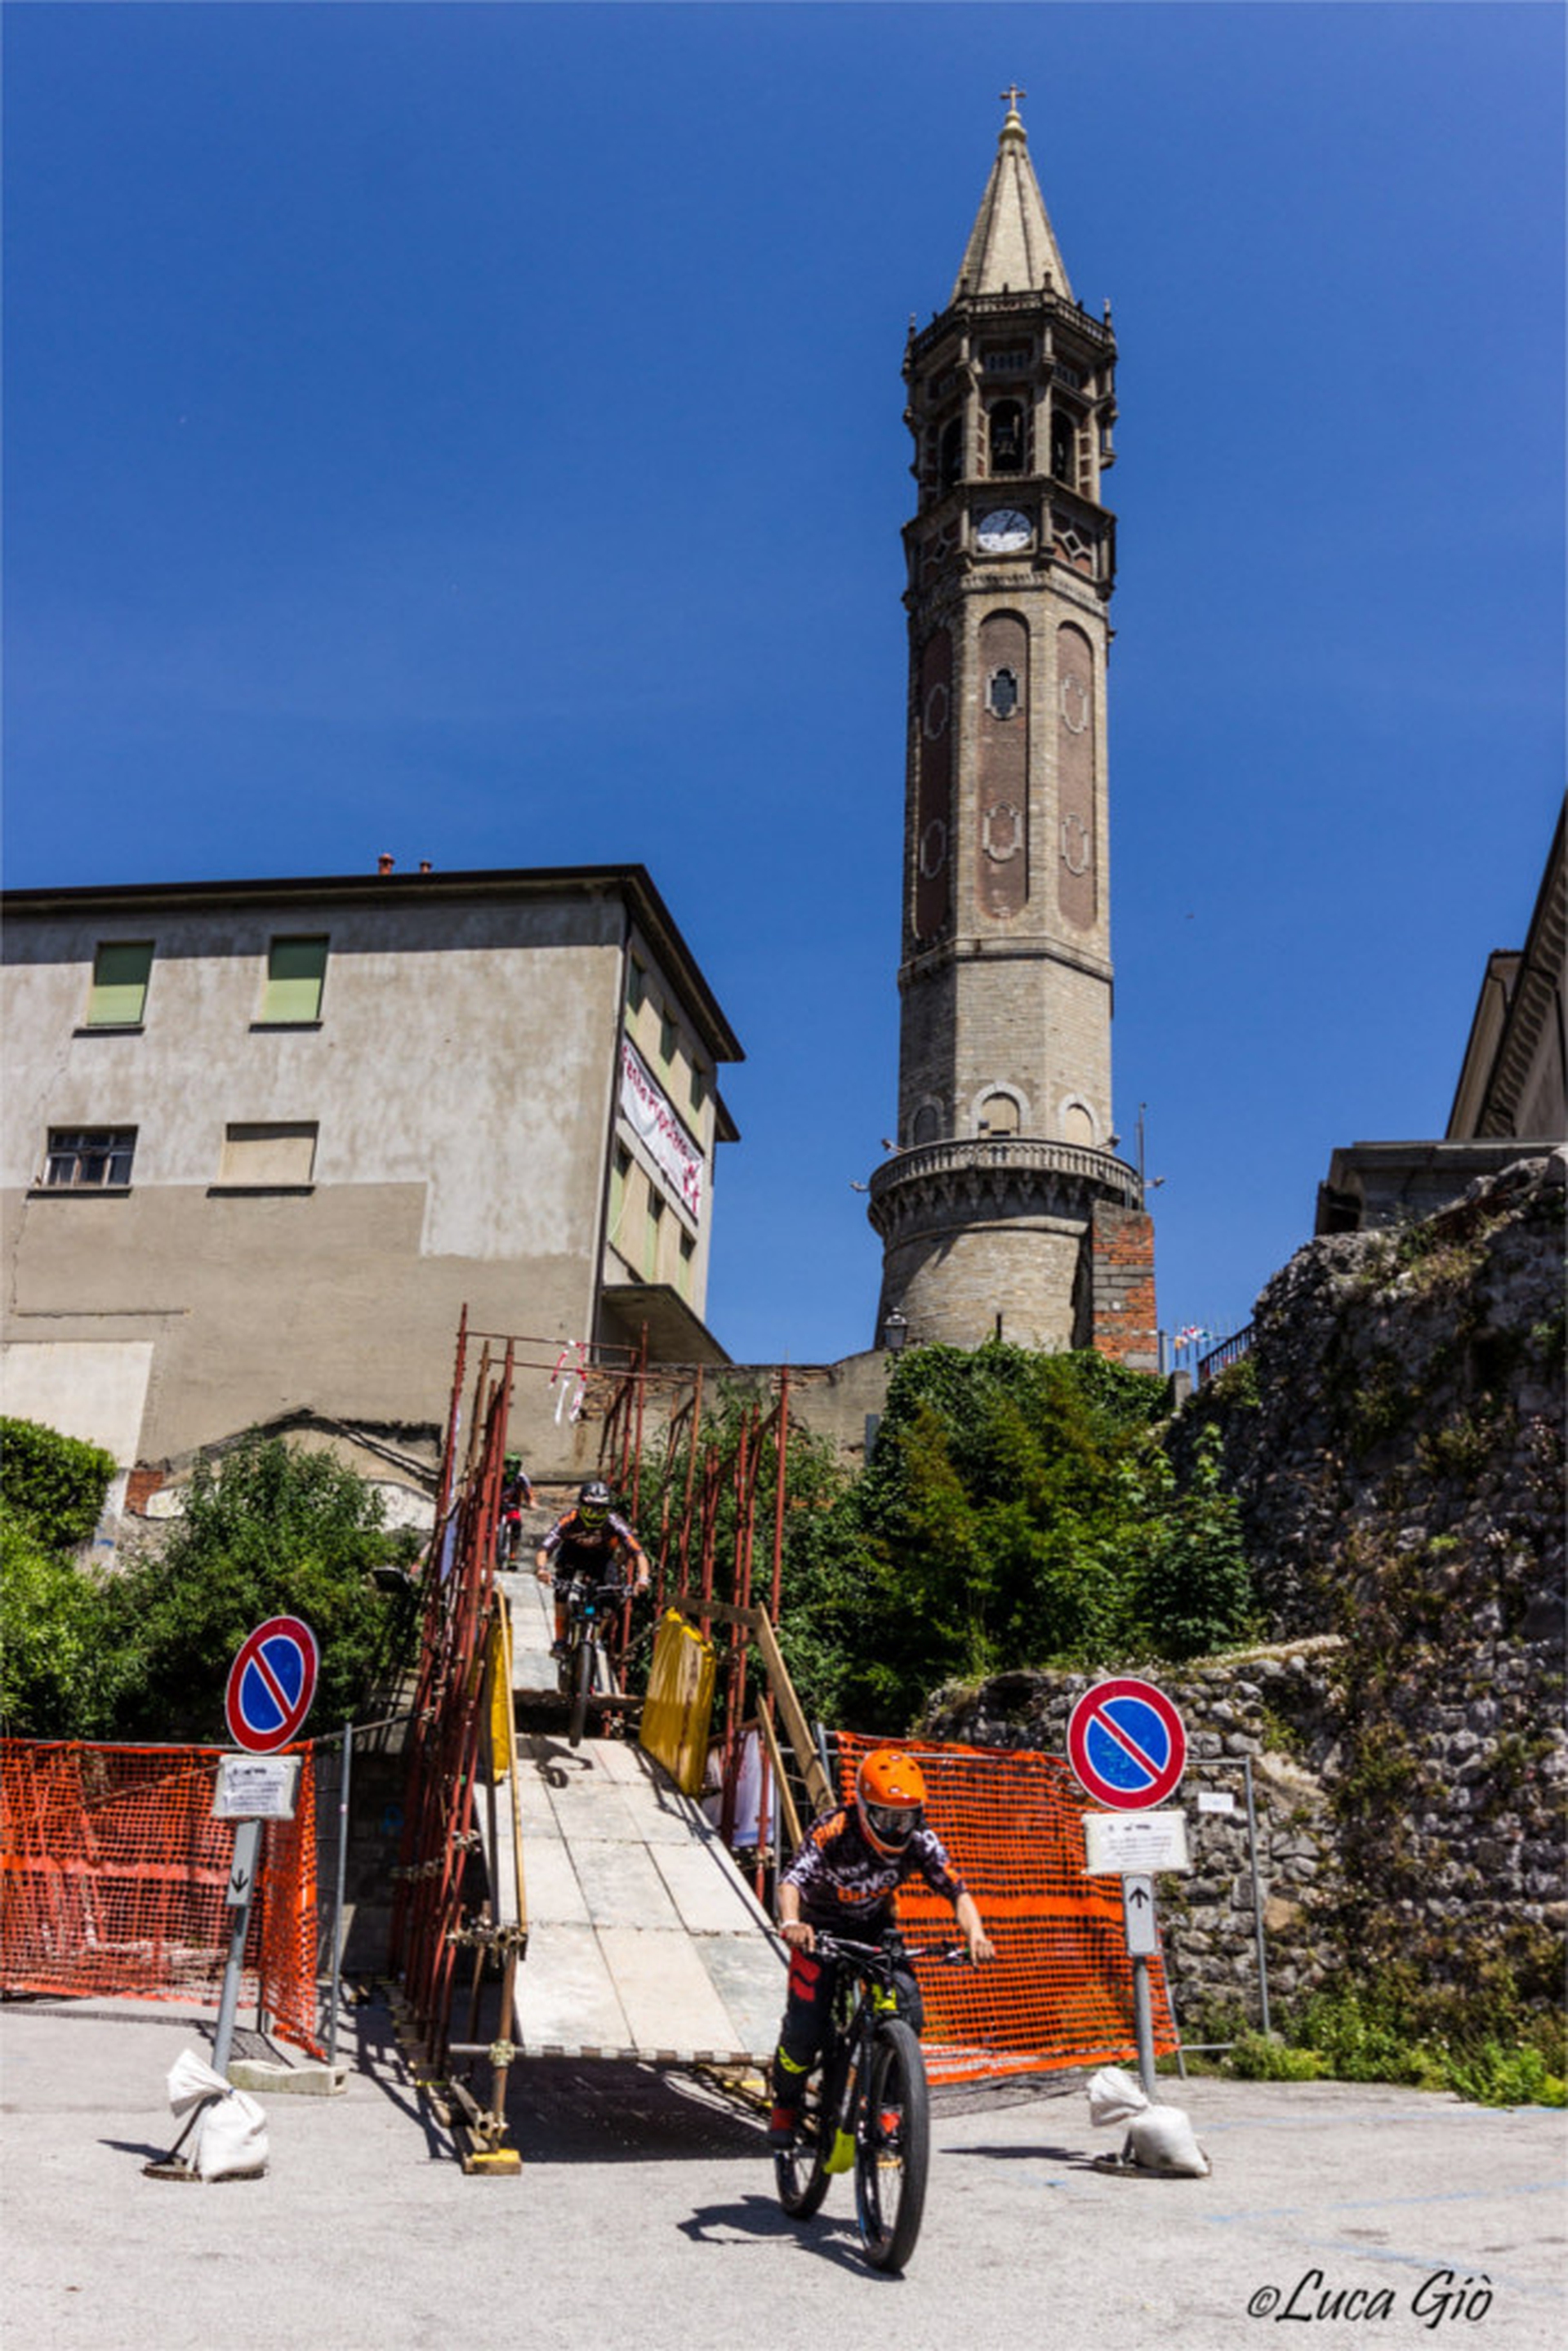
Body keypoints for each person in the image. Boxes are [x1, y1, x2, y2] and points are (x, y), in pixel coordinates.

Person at [768, 1746, 994, 2144]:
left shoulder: (919, 1839)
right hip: (820, 1931)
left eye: (905, 1818)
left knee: (908, 2007)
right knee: (805, 2029)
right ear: (863, 1808)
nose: (896, 1830)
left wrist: (975, 1934)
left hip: (875, 1929)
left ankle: (888, 2104)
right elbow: (792, 1881)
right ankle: (785, 2103)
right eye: (886, 1818)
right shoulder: (833, 1830)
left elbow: (956, 1890)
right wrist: (792, 1922)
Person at [534, 1478, 649, 1657]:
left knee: (611, 1598)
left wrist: (643, 1578)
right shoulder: (569, 1519)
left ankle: (596, 1636)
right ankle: (560, 1640)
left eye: (601, 1510)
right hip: (572, 1554)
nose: (595, 1514)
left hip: (601, 1559)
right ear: (581, 1507)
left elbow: (638, 1552)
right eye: (590, 1509)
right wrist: (542, 1569)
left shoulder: (614, 1522)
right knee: (561, 1590)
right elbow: (545, 1547)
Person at [495, 1454, 534, 1565]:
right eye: (508, 1465)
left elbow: (529, 1493)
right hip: (495, 1507)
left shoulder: (522, 1478)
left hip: (512, 1506)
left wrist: (531, 1502)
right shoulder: (496, 1476)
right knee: (488, 1529)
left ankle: (513, 1555)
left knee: (516, 1524)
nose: (510, 1469)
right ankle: (486, 1555)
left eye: (514, 1466)